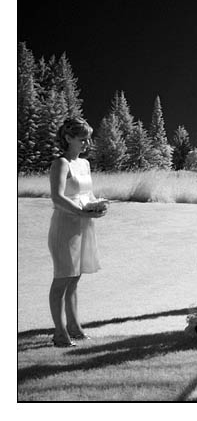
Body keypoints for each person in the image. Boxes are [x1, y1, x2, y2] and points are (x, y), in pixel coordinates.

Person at [48, 118, 107, 347]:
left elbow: (87, 195)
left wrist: (97, 205)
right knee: (62, 279)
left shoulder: (84, 164)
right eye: (82, 139)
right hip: (65, 225)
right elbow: (57, 196)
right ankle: (59, 332)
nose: (87, 143)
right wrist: (83, 213)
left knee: (74, 279)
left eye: (88, 139)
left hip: (83, 225)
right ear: (68, 138)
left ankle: (74, 326)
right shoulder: (61, 164)